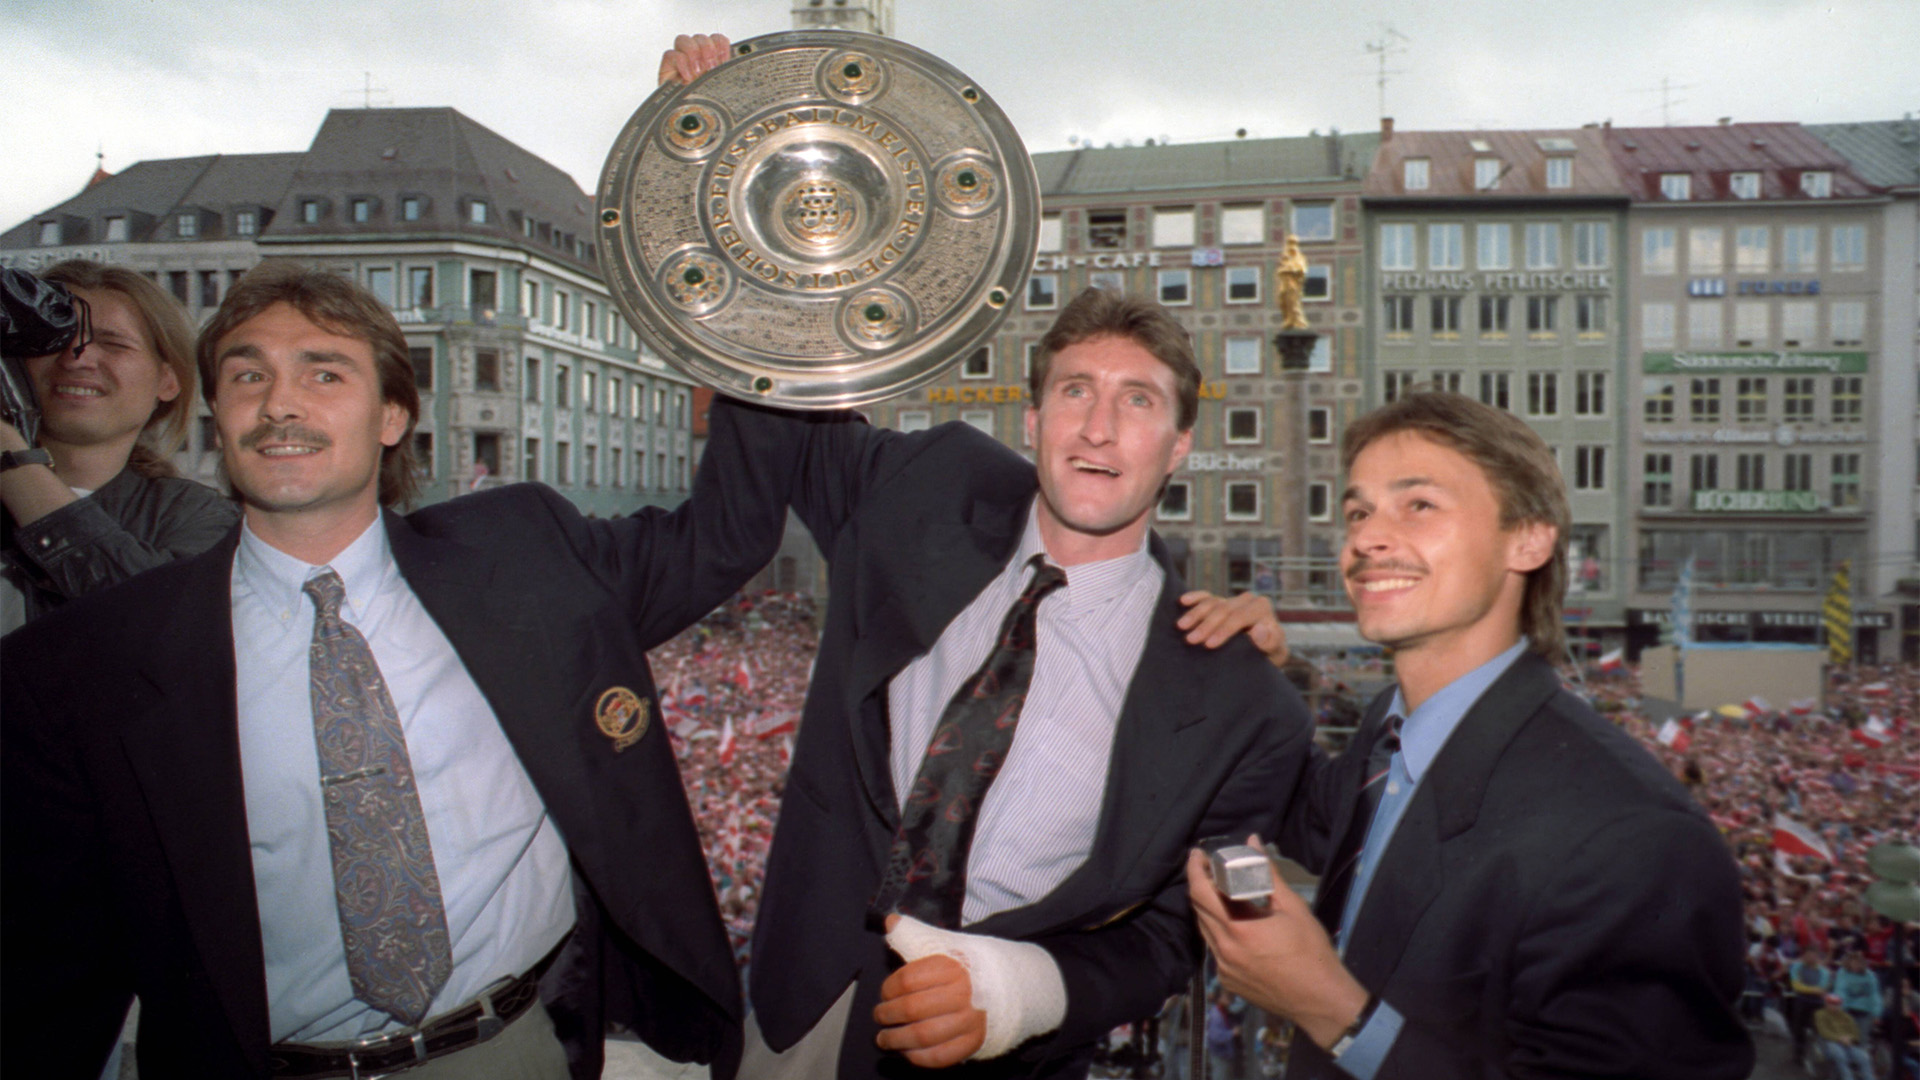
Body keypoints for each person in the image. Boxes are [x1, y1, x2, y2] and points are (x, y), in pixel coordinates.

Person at [668, 39, 1309, 1071]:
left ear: (1180, 443)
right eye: (1074, 392)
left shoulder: (1236, 695)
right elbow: (787, 377)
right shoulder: (923, 494)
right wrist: (720, 157)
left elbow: (1173, 934)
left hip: (998, 1049)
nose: (1098, 428)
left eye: (1136, 402)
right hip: (804, 997)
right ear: (1035, 414)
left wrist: (1024, 993)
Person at [1, 262, 807, 1079]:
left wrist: (764, 301)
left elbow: (726, 534)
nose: (280, 401)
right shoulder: (96, 658)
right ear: (217, 412)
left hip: (509, 1050)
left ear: (393, 415)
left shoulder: (525, 558)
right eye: (249, 374)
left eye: (325, 372)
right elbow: (51, 964)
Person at [1186, 390, 1752, 1078]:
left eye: (1417, 504)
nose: (1366, 538)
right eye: (1358, 511)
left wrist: (1332, 1010)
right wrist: (1255, 674)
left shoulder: (1637, 840)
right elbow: (1311, 811)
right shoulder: (1388, 736)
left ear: (1529, 537)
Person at [0, 259, 238, 632]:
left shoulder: (199, 517)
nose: (78, 359)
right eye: (58, 340)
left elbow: (155, 617)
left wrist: (9, 455)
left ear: (168, 380)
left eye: (113, 344)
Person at [1815, 993, 1876, 1080]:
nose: (1834, 1006)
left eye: (1836, 1004)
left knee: (1864, 1057)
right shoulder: (1820, 1014)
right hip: (1830, 1042)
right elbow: (1823, 1031)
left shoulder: (1846, 1016)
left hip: (1848, 1043)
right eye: (1831, 1003)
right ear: (1826, 1004)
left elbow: (1855, 1032)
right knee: (1840, 1055)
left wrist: (1850, 1038)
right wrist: (1839, 1038)